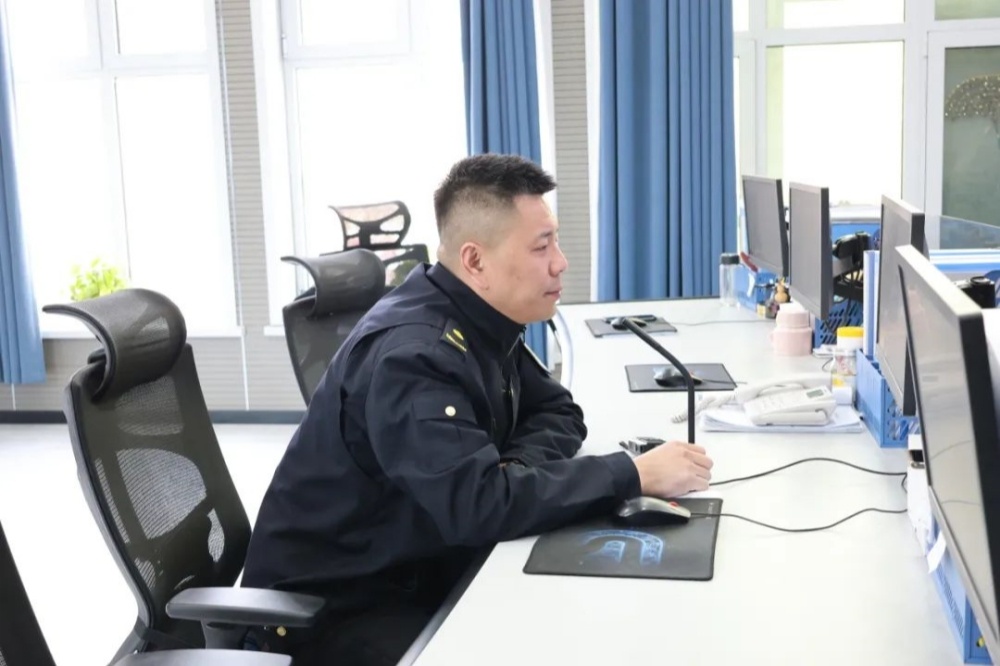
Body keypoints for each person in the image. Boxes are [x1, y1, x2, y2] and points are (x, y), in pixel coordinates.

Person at [241, 153, 713, 665]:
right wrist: (631, 474)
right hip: (334, 613)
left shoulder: (480, 317)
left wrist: (512, 471)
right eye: (541, 246)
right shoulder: (414, 357)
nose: (560, 262)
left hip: (413, 565)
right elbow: (479, 508)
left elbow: (559, 411)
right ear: (475, 262)